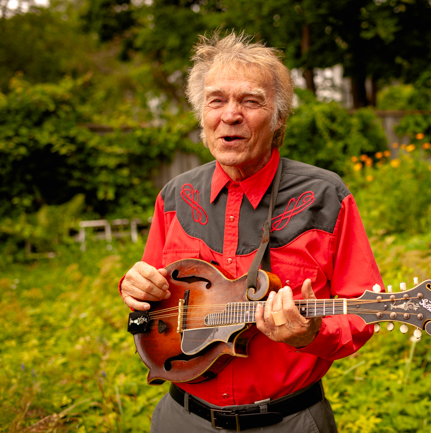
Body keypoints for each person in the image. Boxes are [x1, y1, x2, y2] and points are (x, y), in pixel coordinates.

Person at [119, 30, 384, 432]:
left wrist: (307, 335)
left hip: (290, 421)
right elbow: (152, 305)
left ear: (277, 118)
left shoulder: (325, 197)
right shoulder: (175, 195)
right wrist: (135, 288)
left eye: (250, 101)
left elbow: (364, 313)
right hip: (182, 418)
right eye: (216, 100)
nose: (230, 114)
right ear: (202, 115)